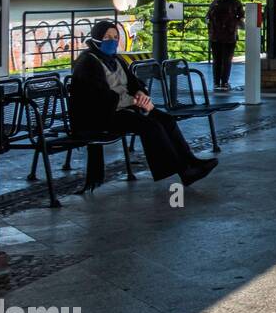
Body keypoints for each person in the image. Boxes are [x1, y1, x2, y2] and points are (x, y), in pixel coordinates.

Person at [69, 20, 217, 189]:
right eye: (107, 37)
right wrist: (134, 101)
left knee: (166, 120)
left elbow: (134, 83)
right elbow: (98, 97)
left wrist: (141, 93)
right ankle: (183, 171)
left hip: (125, 108)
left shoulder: (116, 60)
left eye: (115, 37)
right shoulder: (87, 63)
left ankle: (191, 161)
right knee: (151, 126)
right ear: (96, 38)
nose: (112, 41)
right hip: (101, 116)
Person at [205, 0, 245, 92]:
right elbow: (241, 19)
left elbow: (207, 18)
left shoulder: (216, 2)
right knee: (227, 60)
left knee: (216, 59)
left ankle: (216, 83)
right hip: (230, 36)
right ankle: (224, 83)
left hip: (215, 36)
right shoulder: (237, 3)